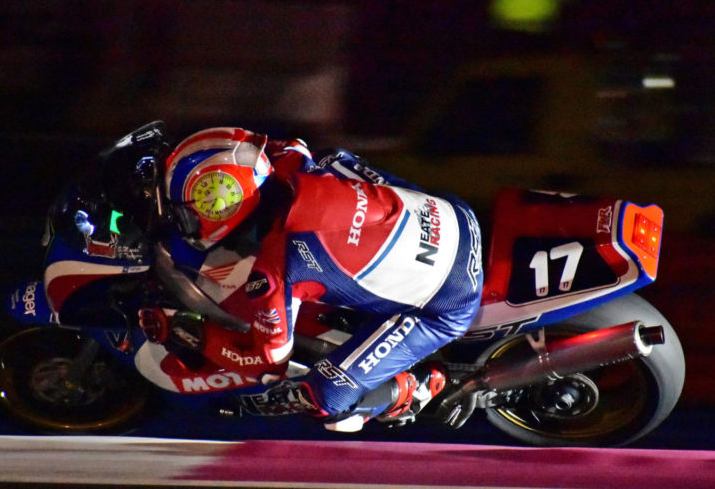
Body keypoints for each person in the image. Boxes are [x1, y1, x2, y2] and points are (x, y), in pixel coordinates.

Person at [143, 126, 483, 431]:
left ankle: (416, 385)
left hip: (449, 300)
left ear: (222, 213)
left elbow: (265, 365)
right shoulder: (288, 155)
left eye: (184, 215)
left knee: (324, 398)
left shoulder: (274, 271)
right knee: (333, 160)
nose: (180, 221)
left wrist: (192, 332)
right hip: (456, 216)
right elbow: (259, 147)